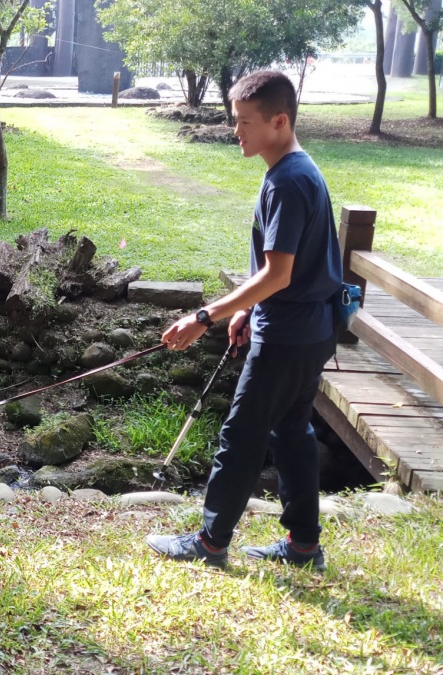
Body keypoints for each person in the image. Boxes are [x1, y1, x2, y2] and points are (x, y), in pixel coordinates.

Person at [146, 70, 342, 570]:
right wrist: (250, 310)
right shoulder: (292, 172)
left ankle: (210, 544)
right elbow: (280, 274)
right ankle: (303, 546)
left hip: (290, 335)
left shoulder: (289, 181)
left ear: (279, 121)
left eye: (245, 123)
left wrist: (205, 316)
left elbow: (278, 275)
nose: (237, 132)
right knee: (291, 431)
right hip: (309, 330)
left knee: (243, 433)